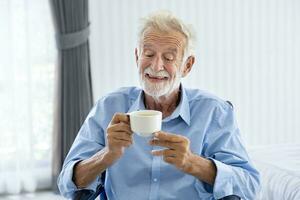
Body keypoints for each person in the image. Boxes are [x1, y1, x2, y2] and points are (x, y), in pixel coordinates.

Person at [58, 10, 260, 200]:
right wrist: (106, 155)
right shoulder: (109, 106)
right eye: (148, 54)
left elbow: (250, 185)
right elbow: (67, 184)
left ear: (187, 66)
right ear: (137, 57)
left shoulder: (214, 112)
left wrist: (193, 163)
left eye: (169, 58)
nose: (156, 66)